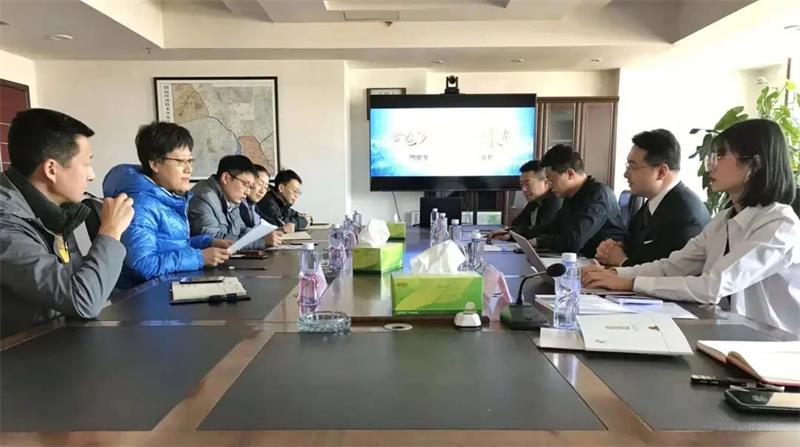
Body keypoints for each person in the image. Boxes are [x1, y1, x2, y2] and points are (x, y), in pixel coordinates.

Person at [583, 119, 800, 335]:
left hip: (775, 343)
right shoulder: (723, 220)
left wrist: (630, 283)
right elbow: (672, 267)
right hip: (729, 332)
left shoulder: (780, 224)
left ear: (753, 164)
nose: (711, 165)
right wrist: (613, 273)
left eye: (721, 155)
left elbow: (713, 286)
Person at [0, 108, 134, 336]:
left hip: (53, 340)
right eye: (86, 163)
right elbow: (83, 301)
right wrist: (110, 232)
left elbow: (78, 287)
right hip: (17, 351)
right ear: (51, 169)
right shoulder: (6, 223)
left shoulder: (53, 209)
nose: (91, 175)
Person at [103, 122, 233, 288]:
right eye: (180, 161)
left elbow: (169, 246)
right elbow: (143, 265)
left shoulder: (165, 196)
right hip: (147, 296)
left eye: (190, 161)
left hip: (168, 285)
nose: (188, 169)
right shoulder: (140, 204)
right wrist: (199, 257)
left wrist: (207, 243)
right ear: (155, 164)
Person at [595, 129, 709, 267]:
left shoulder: (685, 214)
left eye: (632, 167)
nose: (626, 174)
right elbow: (638, 250)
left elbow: (671, 272)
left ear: (661, 172)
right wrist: (615, 249)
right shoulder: (651, 203)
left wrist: (622, 262)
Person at [515, 144, 626, 257]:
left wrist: (539, 242)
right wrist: (516, 234)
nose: (550, 186)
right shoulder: (571, 195)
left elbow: (573, 242)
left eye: (552, 180)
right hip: (580, 259)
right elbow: (550, 228)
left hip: (604, 262)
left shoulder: (598, 195)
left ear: (570, 174)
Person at [188, 155, 283, 247]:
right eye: (245, 184)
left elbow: (241, 229)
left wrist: (263, 235)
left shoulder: (231, 199)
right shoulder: (203, 198)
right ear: (226, 178)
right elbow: (215, 241)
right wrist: (261, 241)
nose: (247, 192)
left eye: (250, 187)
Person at [488, 160, 562, 241]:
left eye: (528, 184)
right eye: (522, 184)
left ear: (546, 183)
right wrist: (507, 231)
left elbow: (541, 231)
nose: (524, 189)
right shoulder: (535, 201)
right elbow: (516, 224)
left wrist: (510, 234)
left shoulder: (555, 200)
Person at [257, 169, 312, 233]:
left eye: (298, 192)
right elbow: (281, 224)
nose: (296, 195)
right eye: (295, 191)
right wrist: (304, 221)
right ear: (281, 188)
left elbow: (289, 212)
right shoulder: (268, 202)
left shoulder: (281, 203)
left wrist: (299, 215)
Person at [240, 164, 270, 228]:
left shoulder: (255, 206)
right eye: (260, 184)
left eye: (266, 187)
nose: (262, 191)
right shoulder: (238, 204)